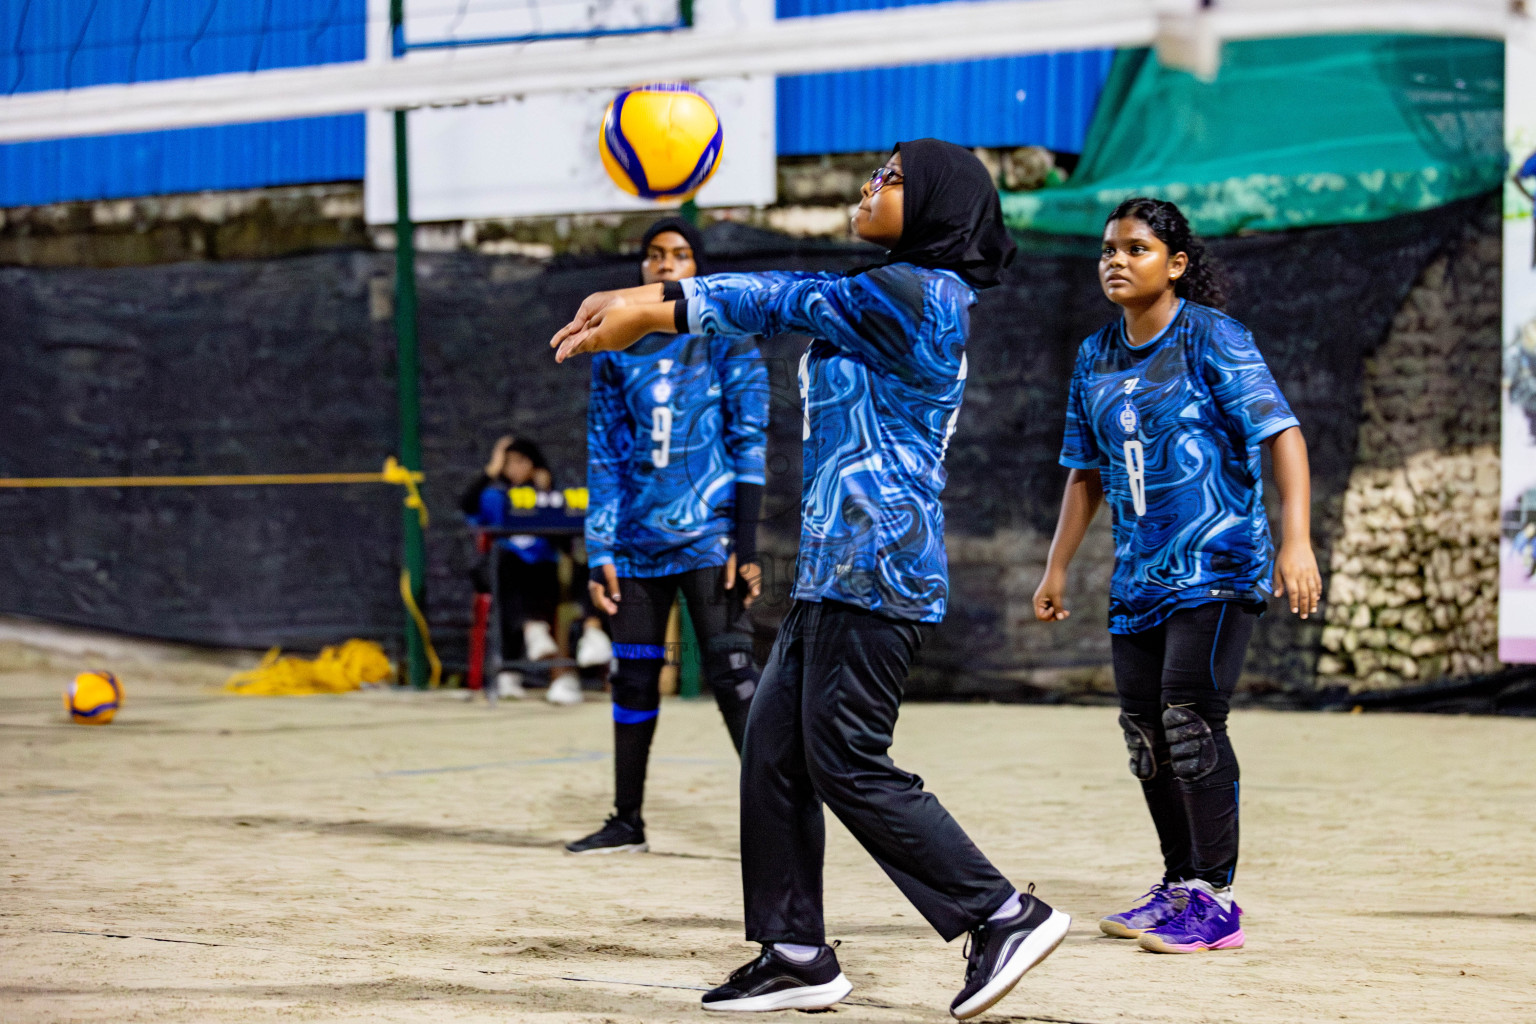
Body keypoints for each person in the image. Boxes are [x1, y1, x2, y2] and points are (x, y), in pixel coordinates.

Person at [550, 142, 1070, 1020]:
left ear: (940, 203)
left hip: (879, 567)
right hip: (839, 570)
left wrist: (650, 303)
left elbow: (784, 297)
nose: (872, 184)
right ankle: (795, 952)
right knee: (772, 752)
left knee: (846, 759)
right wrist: (646, 300)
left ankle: (1001, 914)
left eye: (894, 176)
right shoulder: (890, 293)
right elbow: (790, 302)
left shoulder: (919, 296)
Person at [1032, 197, 1320, 954]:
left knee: (1191, 721)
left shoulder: (1211, 337)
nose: (1116, 261)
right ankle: (1178, 884)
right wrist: (1057, 565)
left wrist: (1297, 541)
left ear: (1177, 263)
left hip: (1219, 565)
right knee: (1146, 735)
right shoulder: (1095, 355)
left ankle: (1217, 901)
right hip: (1139, 579)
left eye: (1136, 248)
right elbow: (1085, 472)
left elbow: (1281, 432)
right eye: (1107, 250)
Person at [564, 216, 770, 856]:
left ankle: (776, 819)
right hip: (636, 546)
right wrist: (601, 549)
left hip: (710, 540)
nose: (665, 265)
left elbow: (750, 442)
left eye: (679, 255)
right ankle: (627, 821)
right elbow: (604, 452)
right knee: (634, 676)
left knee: (735, 678)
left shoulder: (727, 337)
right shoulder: (615, 347)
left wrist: (748, 541)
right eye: (654, 255)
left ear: (695, 268)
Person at [459, 435, 585, 705]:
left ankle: (518, 664)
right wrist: (490, 470)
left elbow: (565, 540)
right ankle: (532, 633)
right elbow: (467, 504)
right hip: (501, 568)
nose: (513, 468)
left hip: (540, 574)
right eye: (508, 463)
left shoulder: (549, 495)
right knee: (506, 566)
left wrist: (546, 493)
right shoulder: (495, 496)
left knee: (530, 578)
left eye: (520, 461)